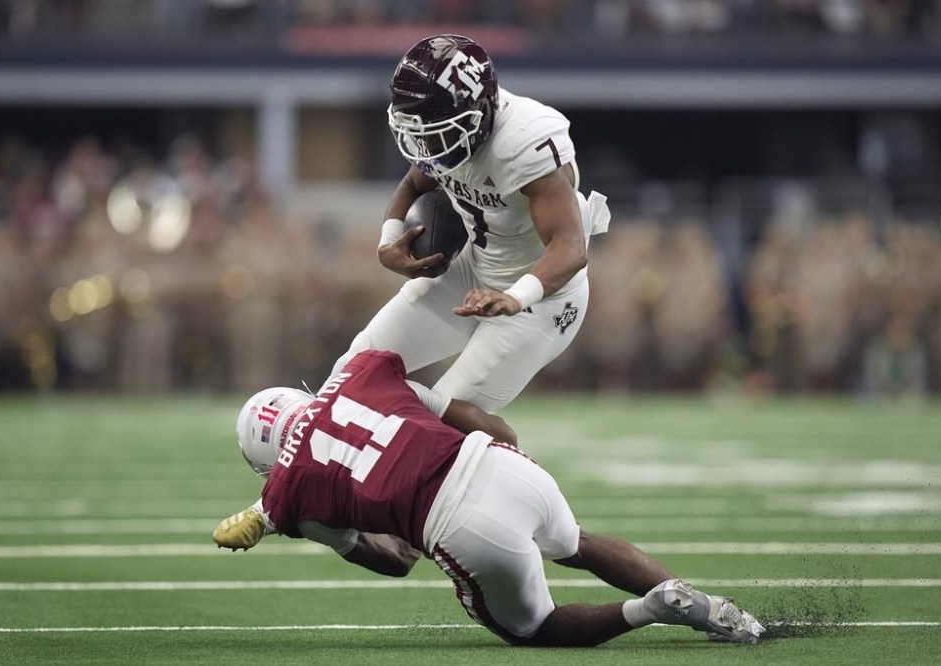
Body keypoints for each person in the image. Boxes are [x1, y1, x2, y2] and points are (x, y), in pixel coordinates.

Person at [213, 349, 765, 647]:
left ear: (266, 458)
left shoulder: (287, 492)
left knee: (534, 629)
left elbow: (395, 562)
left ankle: (650, 609)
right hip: (499, 463)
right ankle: (707, 606)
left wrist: (344, 527)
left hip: (460, 525)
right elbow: (493, 427)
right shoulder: (360, 374)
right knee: (576, 543)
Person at [329, 34, 611, 413]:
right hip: (471, 271)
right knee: (351, 377)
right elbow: (414, 182)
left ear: (479, 113)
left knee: (436, 422)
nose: (428, 145)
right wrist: (389, 240)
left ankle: (498, 449)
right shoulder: (445, 134)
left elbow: (571, 248)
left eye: (437, 131)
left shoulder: (523, 142)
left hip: (540, 300)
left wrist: (515, 296)